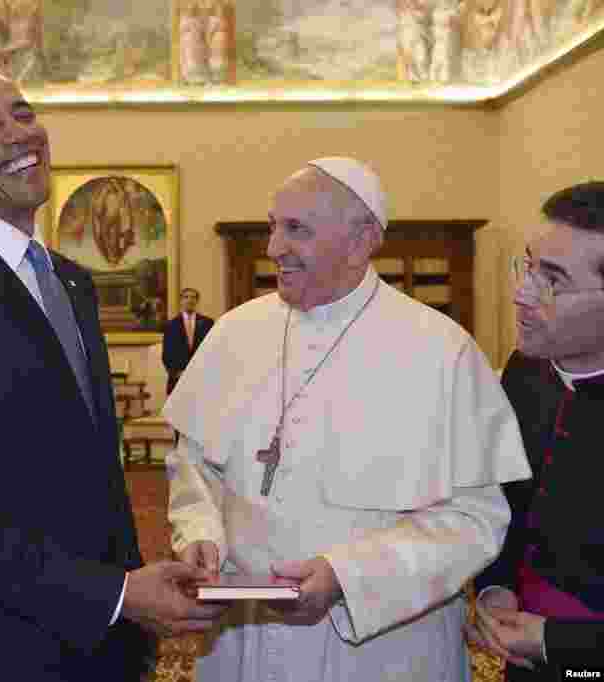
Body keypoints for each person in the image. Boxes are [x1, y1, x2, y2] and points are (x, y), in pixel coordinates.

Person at [0, 65, 225, 682]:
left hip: (109, 644)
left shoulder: (72, 280)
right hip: (5, 647)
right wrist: (114, 595)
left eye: (23, 114)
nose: (18, 133)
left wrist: (130, 596)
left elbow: (92, 472)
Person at [164, 157, 532, 681]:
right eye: (273, 225)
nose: (273, 248)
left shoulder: (441, 351)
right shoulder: (233, 334)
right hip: (246, 641)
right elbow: (194, 466)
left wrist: (349, 576)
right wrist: (200, 531)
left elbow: (475, 519)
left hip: (380, 649)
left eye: (297, 230)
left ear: (361, 240)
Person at [469, 182, 604, 678]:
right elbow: (507, 497)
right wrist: (495, 586)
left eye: (553, 279)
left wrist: (556, 641)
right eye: (528, 266)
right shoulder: (526, 371)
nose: (522, 293)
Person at [162, 287, 214, 395]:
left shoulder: (208, 323)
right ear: (181, 301)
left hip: (202, 377)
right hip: (178, 378)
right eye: (186, 297)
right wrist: (176, 372)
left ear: (197, 301)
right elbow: (167, 353)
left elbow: (212, 349)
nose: (190, 300)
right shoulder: (171, 325)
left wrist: (205, 371)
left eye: (193, 297)